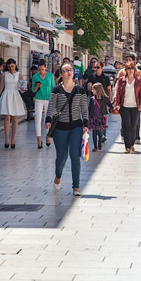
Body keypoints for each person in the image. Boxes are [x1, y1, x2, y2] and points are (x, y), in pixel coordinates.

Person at [45, 62, 89, 196]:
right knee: (62, 157)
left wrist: (86, 123)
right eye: (65, 70)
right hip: (60, 128)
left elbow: (84, 108)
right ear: (61, 74)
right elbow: (51, 106)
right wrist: (48, 120)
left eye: (70, 70)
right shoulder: (56, 89)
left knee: (75, 156)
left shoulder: (80, 89)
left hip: (76, 126)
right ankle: (58, 175)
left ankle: (76, 187)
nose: (68, 72)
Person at [113, 62, 141, 153]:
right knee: (126, 126)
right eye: (128, 68)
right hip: (124, 106)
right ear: (126, 70)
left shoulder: (138, 80)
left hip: (135, 107)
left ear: (134, 70)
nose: (130, 70)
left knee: (133, 126)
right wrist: (117, 104)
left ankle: (132, 144)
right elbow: (118, 93)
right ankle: (127, 147)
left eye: (132, 68)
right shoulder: (121, 80)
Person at [0, 58, 26, 149]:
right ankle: (6, 139)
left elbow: (22, 88)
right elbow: (1, 87)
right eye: (9, 67)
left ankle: (13, 139)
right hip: (6, 94)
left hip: (15, 95)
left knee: (14, 118)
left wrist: (22, 89)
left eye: (12, 66)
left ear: (15, 65)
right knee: (7, 117)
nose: (11, 68)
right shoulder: (4, 75)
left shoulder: (19, 75)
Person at [32, 60, 55, 149]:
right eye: (39, 69)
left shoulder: (50, 76)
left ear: (45, 68)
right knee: (38, 119)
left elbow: (54, 88)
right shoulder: (35, 76)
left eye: (43, 69)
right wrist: (37, 86)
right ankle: (38, 140)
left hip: (49, 99)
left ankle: (47, 137)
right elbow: (33, 90)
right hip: (39, 99)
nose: (41, 71)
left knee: (47, 119)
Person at [89, 83, 113, 152]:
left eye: (93, 89)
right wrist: (88, 117)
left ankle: (99, 143)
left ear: (97, 90)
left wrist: (114, 107)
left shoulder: (105, 98)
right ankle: (95, 147)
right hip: (93, 118)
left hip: (101, 118)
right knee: (94, 133)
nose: (92, 90)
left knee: (100, 133)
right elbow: (89, 108)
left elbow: (110, 105)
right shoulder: (92, 99)